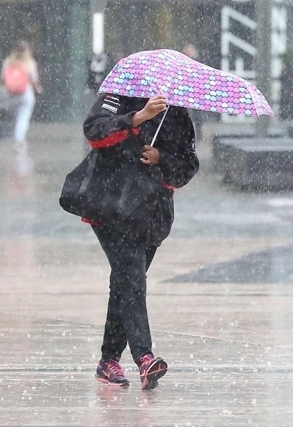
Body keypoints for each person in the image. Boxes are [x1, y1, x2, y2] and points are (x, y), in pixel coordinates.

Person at [83, 93, 199, 390]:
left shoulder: (177, 112)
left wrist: (162, 159)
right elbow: (94, 131)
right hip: (111, 205)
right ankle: (144, 357)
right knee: (132, 277)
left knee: (125, 281)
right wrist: (137, 118)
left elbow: (188, 165)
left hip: (151, 212)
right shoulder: (118, 95)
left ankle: (108, 360)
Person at [2, 40, 43, 154]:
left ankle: (17, 138)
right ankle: (19, 141)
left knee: (16, 117)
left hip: (11, 95)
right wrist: (38, 88)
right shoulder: (29, 63)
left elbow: (4, 78)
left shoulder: (8, 62)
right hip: (25, 94)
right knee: (23, 118)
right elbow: (34, 79)